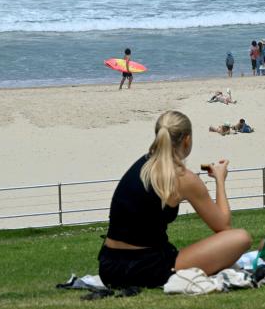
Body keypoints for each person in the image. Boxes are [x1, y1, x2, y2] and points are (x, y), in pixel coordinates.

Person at [98, 111, 252, 288]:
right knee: (241, 238)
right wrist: (220, 180)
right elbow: (223, 225)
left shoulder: (142, 166)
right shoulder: (183, 177)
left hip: (109, 267)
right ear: (187, 140)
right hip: (148, 268)